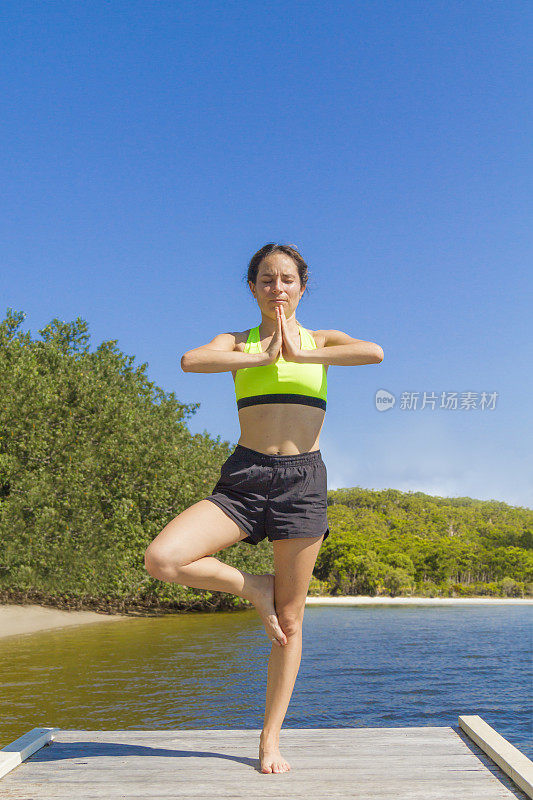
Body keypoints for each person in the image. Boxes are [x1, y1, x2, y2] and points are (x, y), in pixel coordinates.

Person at [144, 243, 384, 774]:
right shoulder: (236, 342)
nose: (278, 288)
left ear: (302, 286)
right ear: (252, 286)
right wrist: (260, 356)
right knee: (163, 558)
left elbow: (374, 352)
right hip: (245, 477)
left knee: (290, 622)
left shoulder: (321, 340)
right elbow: (191, 360)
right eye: (267, 279)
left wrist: (300, 354)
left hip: (303, 480)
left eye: (288, 279)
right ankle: (252, 586)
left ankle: (269, 739)